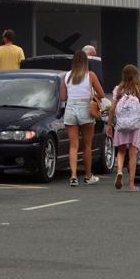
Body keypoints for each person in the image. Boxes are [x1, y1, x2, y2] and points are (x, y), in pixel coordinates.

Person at [59, 50, 106, 187]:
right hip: (85, 108)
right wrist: (92, 97)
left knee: (73, 145)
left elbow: (63, 97)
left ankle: (73, 176)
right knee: (87, 146)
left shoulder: (66, 76)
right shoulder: (90, 75)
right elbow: (101, 93)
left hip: (70, 108)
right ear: (86, 62)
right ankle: (87, 176)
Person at [106, 64, 140, 191]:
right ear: (136, 76)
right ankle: (131, 185)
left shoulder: (118, 90)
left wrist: (109, 125)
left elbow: (112, 109)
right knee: (133, 154)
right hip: (134, 126)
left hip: (121, 125)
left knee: (121, 151)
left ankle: (120, 171)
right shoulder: (139, 91)